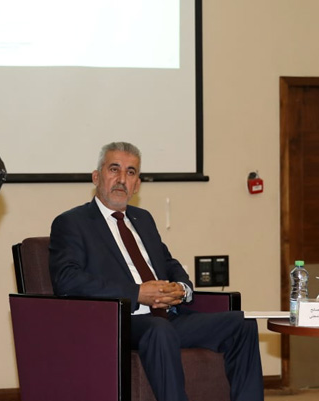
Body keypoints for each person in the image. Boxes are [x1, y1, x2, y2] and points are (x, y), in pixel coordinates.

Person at [49, 142, 263, 401]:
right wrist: (136, 293)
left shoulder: (143, 219)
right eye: (114, 169)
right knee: (159, 330)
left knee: (242, 324)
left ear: (137, 185)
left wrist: (181, 289)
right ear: (96, 177)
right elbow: (67, 279)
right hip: (119, 322)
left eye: (130, 172)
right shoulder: (72, 222)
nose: (122, 179)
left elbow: (169, 263)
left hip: (168, 317)